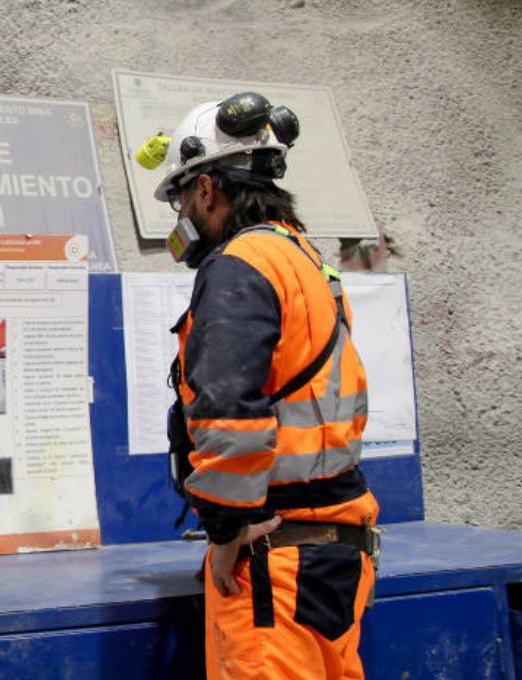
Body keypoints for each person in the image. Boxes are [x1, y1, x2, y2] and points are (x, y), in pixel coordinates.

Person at [146, 93, 381, 679]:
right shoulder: (306, 260)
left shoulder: (238, 265)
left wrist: (226, 528)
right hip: (336, 553)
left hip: (271, 562)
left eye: (179, 195)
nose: (181, 213)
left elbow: (228, 407)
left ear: (205, 190)